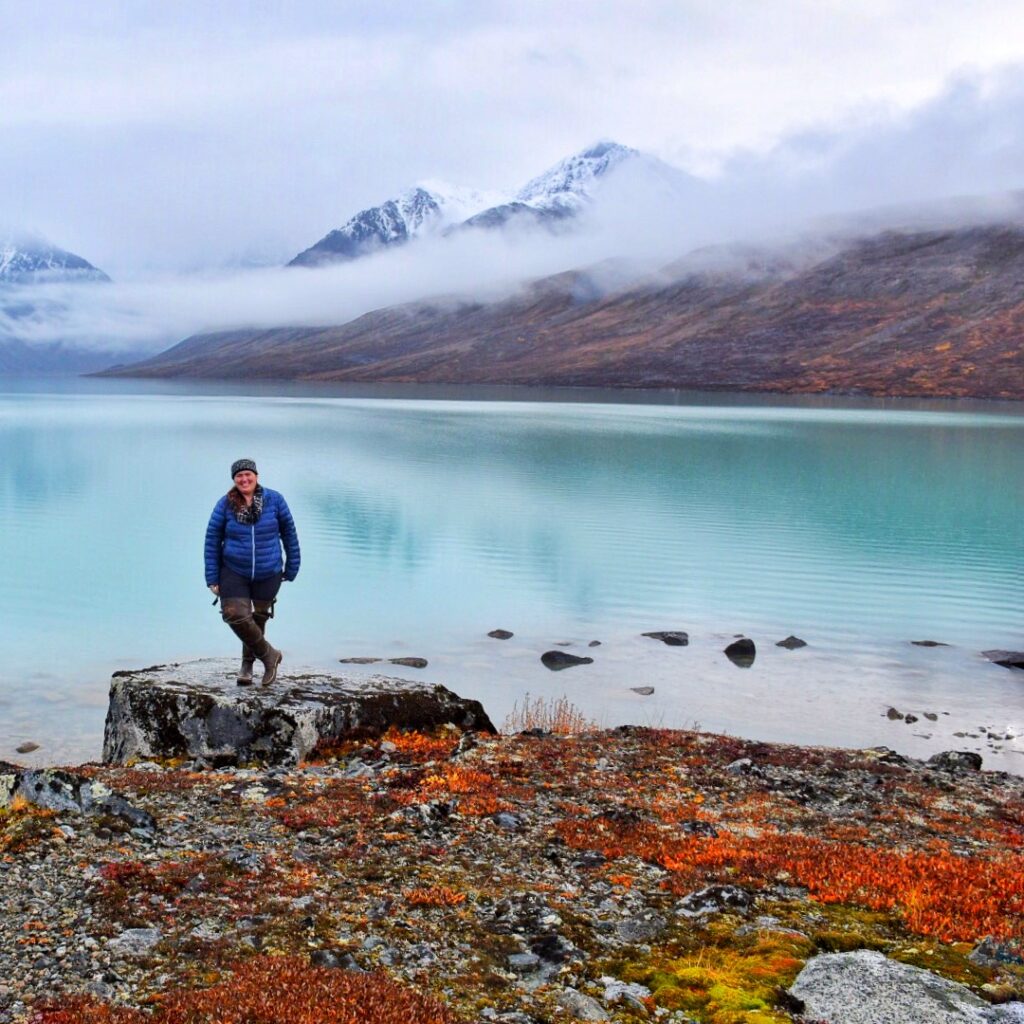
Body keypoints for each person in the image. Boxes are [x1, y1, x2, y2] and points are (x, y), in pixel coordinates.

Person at [204, 459, 300, 685]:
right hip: (234, 569)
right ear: (234, 480)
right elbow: (212, 541)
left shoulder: (275, 500)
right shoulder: (224, 505)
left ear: (256, 476)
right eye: (239, 476)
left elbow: (289, 533)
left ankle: (247, 666)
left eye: (248, 474)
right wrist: (212, 576)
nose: (244, 479)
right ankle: (269, 655)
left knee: (257, 619)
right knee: (234, 614)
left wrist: (292, 565)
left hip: (269, 570)